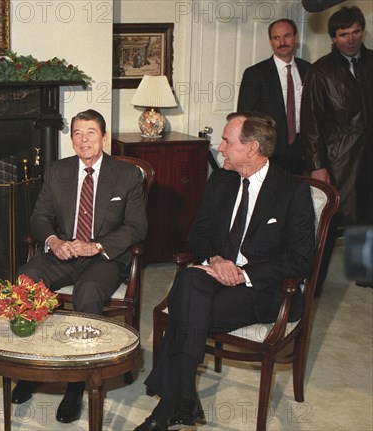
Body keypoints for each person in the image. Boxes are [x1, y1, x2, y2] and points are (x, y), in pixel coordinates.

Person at [134, 112, 315, 431]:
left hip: (264, 289)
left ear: (251, 148)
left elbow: (300, 260)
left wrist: (244, 275)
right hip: (217, 275)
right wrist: (217, 260)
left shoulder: (292, 191)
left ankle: (170, 404)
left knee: (185, 305)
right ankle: (182, 400)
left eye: (227, 141)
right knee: (190, 282)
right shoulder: (222, 180)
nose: (219, 148)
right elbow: (199, 234)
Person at [11, 109, 148, 423]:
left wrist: (97, 245)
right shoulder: (57, 171)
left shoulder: (127, 175)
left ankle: (76, 383)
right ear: (70, 138)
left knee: (87, 292)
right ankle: (32, 369)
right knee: (26, 277)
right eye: (77, 133)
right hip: (65, 251)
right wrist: (54, 241)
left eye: (90, 132)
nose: (83, 140)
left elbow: (136, 227)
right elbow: (40, 216)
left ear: (103, 137)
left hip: (104, 257)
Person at [301, 5, 373, 289]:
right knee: (328, 222)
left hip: (369, 154)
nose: (352, 39)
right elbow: (310, 123)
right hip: (337, 157)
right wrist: (317, 166)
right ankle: (313, 283)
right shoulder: (320, 71)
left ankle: (364, 273)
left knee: (366, 216)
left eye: (356, 31)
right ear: (333, 38)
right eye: (344, 34)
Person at [238, 18, 310, 174]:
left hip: (302, 151)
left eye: (287, 36)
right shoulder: (255, 74)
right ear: (271, 41)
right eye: (276, 38)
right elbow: (245, 117)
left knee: (298, 196)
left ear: (295, 37)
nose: (282, 42)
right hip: (269, 152)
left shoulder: (309, 70)